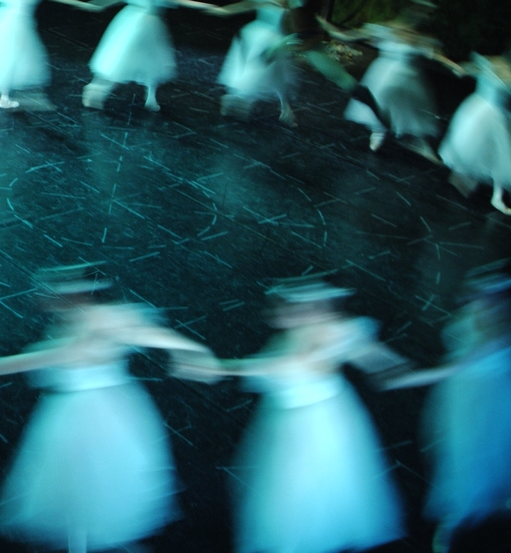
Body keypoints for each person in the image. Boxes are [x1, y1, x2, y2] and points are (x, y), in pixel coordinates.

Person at [0, 264, 215, 553]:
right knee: (77, 489)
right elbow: (19, 363)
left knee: (92, 484)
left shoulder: (104, 319)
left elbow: (148, 334)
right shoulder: (64, 327)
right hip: (74, 414)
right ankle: (90, 540)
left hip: (99, 416)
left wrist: (192, 350)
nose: (48, 301)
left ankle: (96, 539)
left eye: (57, 294)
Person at [175, 278, 408, 553]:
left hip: (319, 425)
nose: (276, 313)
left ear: (311, 308)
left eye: (286, 307)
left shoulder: (330, 333)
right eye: (279, 307)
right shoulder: (286, 337)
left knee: (306, 493)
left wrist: (223, 368)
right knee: (284, 496)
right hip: (286, 424)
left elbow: (289, 364)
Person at [383, 265, 511, 553]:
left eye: (485, 297)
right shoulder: (471, 316)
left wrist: (403, 379)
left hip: (484, 405)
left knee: (477, 459)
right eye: (475, 294)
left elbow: (454, 368)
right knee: (458, 455)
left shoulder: (498, 336)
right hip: (461, 400)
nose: (474, 301)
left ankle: (464, 517)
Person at [82, 0, 216, 112]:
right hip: (133, 27)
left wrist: (206, 6)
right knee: (120, 58)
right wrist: (98, 4)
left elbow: (181, 0)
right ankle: (97, 89)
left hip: (150, 29)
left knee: (152, 62)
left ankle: (150, 96)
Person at [343, 0, 462, 161]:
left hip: (407, 79)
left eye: (426, 15)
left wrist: (454, 66)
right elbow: (358, 34)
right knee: (381, 99)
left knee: (406, 111)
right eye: (421, 13)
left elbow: (436, 56)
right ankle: (379, 130)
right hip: (382, 74)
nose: (422, 17)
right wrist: (337, 33)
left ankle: (415, 141)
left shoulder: (419, 38)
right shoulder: (389, 27)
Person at [438, 52, 511, 214]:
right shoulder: (490, 65)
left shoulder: (497, 69)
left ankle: (497, 197)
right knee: (486, 152)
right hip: (481, 115)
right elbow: (465, 69)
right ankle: (466, 179)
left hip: (494, 116)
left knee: (501, 156)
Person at [212, 0, 297, 125]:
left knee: (278, 77)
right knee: (259, 73)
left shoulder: (289, 8)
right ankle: (238, 98)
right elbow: (246, 5)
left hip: (275, 43)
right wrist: (225, 11)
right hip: (261, 40)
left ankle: (285, 109)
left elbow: (291, 28)